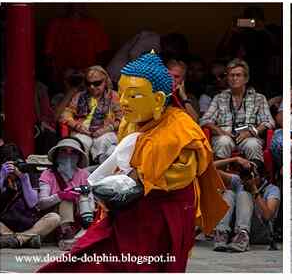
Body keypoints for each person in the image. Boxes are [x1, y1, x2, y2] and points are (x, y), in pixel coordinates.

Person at [40, 53, 227, 272]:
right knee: (95, 259)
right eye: (123, 93)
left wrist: (135, 180)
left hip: (165, 211)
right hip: (128, 207)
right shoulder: (130, 122)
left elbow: (181, 175)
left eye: (134, 96)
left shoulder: (181, 129)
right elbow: (124, 160)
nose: (124, 102)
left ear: (158, 99)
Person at [200, 59, 274, 161]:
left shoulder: (259, 98)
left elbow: (269, 122)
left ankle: (255, 174)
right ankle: (220, 176)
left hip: (249, 136)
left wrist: (250, 132)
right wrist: (220, 131)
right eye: (231, 75)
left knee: (252, 144)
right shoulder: (219, 98)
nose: (234, 78)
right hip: (225, 135)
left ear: (246, 78)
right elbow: (204, 120)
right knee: (223, 142)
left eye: (238, 75)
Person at [36, 138, 95, 250]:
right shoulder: (48, 174)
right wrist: (60, 195)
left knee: (84, 195)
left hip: (80, 217)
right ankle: (66, 233)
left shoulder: (84, 175)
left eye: (73, 152)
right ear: (57, 154)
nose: (68, 155)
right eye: (64, 151)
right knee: (66, 200)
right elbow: (41, 203)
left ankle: (80, 232)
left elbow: (91, 202)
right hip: (55, 219)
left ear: (78, 156)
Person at [213, 158, 279, 252]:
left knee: (244, 194)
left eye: (252, 175)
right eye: (244, 175)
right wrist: (234, 159)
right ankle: (221, 233)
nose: (246, 179)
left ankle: (243, 236)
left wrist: (254, 190)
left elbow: (267, 216)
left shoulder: (272, 189)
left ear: (262, 176)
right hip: (234, 231)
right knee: (229, 193)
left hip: (259, 232)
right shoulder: (239, 181)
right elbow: (210, 169)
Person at [0, 146, 60, 249]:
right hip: (4, 224)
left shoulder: (27, 174)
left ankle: (18, 239)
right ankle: (27, 239)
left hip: (28, 223)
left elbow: (32, 203)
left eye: (16, 164)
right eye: (10, 164)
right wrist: (1, 176)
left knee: (54, 218)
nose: (14, 168)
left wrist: (24, 180)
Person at [59, 65, 120, 164]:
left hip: (106, 131)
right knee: (80, 142)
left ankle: (101, 171)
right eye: (88, 83)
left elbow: (121, 119)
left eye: (97, 83)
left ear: (105, 82)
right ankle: (81, 172)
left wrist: (106, 129)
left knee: (104, 142)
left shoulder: (114, 96)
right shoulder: (79, 96)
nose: (92, 87)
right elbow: (66, 114)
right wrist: (77, 126)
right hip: (83, 131)